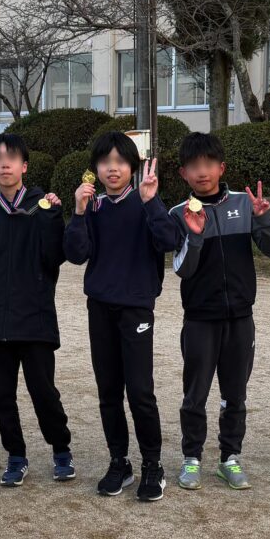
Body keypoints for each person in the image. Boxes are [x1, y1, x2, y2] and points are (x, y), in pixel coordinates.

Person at [63, 132, 179, 501]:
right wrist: (78, 211)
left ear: (132, 166)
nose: (112, 169)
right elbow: (76, 254)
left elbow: (169, 241)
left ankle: (152, 465)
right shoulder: (93, 206)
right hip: (99, 306)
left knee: (140, 391)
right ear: (95, 169)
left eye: (120, 161)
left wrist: (152, 201)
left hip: (136, 307)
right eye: (104, 162)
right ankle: (119, 462)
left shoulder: (144, 201)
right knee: (108, 390)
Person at [169, 132, 270, 491]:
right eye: (193, 166)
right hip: (200, 319)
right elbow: (182, 269)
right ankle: (191, 458)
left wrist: (263, 218)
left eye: (208, 164)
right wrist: (195, 236)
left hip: (240, 318)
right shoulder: (178, 214)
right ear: (183, 173)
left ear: (222, 167)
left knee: (235, 394)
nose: (202, 172)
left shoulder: (245, 204)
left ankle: (229, 458)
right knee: (195, 394)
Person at [0, 133, 74, 487]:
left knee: (44, 392)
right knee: (1, 397)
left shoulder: (44, 207)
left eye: (12, 158)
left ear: (24, 166)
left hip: (35, 321)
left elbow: (54, 258)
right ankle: (16, 455)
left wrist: (51, 216)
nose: (5, 164)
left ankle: (61, 449)